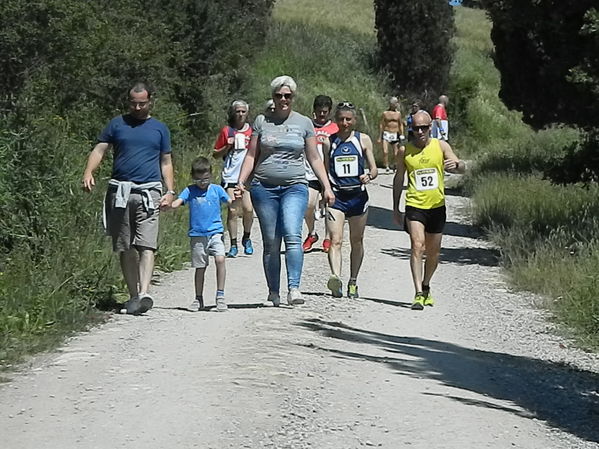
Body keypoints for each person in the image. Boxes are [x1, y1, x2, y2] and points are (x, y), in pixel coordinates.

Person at [235, 75, 335, 307]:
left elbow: (314, 157)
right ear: (272, 97)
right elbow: (251, 154)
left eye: (287, 96)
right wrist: (241, 182)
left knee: (292, 234)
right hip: (264, 187)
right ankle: (273, 292)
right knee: (271, 240)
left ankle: (294, 288)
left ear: (293, 97)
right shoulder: (261, 121)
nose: (283, 99)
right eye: (279, 95)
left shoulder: (303, 123)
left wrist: (326, 186)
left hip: (295, 186)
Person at [82, 82, 175, 315]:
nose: (137, 107)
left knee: (147, 244)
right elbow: (100, 149)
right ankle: (133, 296)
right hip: (121, 191)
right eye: (133, 103)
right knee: (125, 245)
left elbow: (166, 161)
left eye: (141, 103)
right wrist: (88, 172)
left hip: (149, 191)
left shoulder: (159, 128)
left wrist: (170, 190)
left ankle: (144, 293)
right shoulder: (117, 124)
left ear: (150, 101)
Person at [392, 111, 465, 310]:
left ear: (430, 126)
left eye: (424, 127)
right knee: (417, 245)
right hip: (415, 204)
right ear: (411, 129)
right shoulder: (403, 150)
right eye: (416, 128)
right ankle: (417, 293)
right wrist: (395, 207)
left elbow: (460, 166)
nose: (420, 131)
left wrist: (457, 165)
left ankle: (426, 286)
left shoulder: (440, 146)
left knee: (433, 253)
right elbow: (399, 179)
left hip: (436, 206)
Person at [324, 102, 378, 299]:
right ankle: (335, 278)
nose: (344, 123)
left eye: (348, 119)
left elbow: (374, 168)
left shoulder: (362, 140)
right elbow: (324, 169)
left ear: (354, 120)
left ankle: (353, 281)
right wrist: (326, 190)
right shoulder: (329, 142)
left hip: (358, 197)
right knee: (335, 239)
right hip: (337, 197)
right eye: (341, 119)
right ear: (336, 120)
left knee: (357, 240)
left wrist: (369, 176)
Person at [171, 157, 232, 312]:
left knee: (220, 259)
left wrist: (236, 198)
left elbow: (230, 201)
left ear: (211, 175)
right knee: (200, 267)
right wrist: (169, 205)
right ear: (193, 177)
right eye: (198, 180)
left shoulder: (217, 189)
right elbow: (178, 201)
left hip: (215, 232)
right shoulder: (190, 191)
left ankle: (220, 296)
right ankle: (198, 298)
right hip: (197, 234)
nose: (202, 182)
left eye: (205, 179)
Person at [213, 100, 254, 258]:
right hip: (230, 176)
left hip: (247, 177)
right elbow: (216, 154)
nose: (240, 114)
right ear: (233, 112)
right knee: (232, 210)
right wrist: (227, 146)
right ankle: (233, 244)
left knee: (248, 209)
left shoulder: (252, 132)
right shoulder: (227, 131)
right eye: (238, 111)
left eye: (243, 111)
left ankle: (247, 237)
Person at [302, 95, 339, 253]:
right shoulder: (307, 126)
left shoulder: (335, 129)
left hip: (330, 174)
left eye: (325, 112)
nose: (322, 115)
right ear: (314, 111)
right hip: (310, 173)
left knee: (329, 206)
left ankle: (327, 237)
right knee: (308, 205)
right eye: (319, 112)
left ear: (329, 112)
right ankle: (312, 233)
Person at [377, 96, 405, 174]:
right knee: (385, 151)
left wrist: (401, 134)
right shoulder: (385, 113)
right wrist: (380, 136)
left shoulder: (398, 114)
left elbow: (400, 124)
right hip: (386, 133)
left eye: (396, 103)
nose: (395, 105)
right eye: (394, 103)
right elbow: (381, 124)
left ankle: (394, 164)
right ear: (390, 104)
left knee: (396, 153)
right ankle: (386, 166)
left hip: (395, 134)